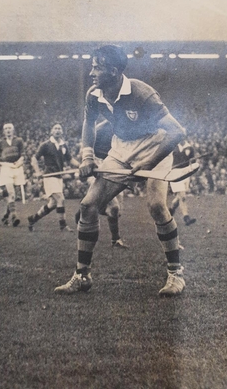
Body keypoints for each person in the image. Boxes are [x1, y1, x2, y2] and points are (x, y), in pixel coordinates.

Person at [55, 45, 186, 297]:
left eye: (97, 67)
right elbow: (88, 123)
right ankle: (82, 275)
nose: (92, 72)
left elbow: (177, 132)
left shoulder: (142, 94)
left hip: (154, 144)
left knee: (157, 206)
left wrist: (148, 163)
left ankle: (176, 274)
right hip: (120, 149)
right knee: (88, 205)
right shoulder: (94, 94)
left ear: (113, 71)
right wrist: (87, 156)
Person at [73, 119, 129, 249]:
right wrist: (89, 163)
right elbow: (84, 151)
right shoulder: (100, 128)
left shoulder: (125, 127)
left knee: (116, 212)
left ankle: (85, 211)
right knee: (113, 207)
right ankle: (115, 240)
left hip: (113, 167)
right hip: (98, 168)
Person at [27, 123, 80, 232]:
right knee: (60, 199)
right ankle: (63, 226)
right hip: (49, 177)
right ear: (52, 131)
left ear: (62, 131)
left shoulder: (63, 145)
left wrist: (81, 166)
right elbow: (34, 158)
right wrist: (37, 171)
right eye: (55, 128)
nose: (57, 130)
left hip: (58, 177)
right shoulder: (45, 145)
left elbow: (70, 159)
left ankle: (33, 219)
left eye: (59, 128)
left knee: (53, 204)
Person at [0, 123, 25, 227]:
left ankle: (6, 216)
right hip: (6, 168)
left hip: (17, 168)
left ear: (13, 129)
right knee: (11, 193)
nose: (8, 130)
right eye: (6, 128)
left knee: (13, 195)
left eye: (10, 128)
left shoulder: (19, 140)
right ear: (3, 131)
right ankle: (14, 216)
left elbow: (22, 155)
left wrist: (19, 162)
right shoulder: (1, 142)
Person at [168, 139, 197, 226]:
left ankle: (171, 210)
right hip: (175, 174)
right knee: (182, 197)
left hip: (185, 174)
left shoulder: (189, 148)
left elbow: (192, 161)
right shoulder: (172, 147)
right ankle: (186, 217)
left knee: (179, 197)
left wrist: (192, 163)